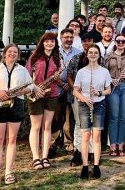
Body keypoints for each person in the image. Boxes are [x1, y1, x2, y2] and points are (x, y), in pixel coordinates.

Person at [0, 44, 34, 186]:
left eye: (15, 52)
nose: (12, 54)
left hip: (16, 104)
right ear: (5, 53)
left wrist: (20, 92)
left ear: (18, 55)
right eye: (10, 51)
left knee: (12, 140)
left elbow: (30, 86)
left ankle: (9, 172)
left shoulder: (22, 70)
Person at [73, 44, 112, 179]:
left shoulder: (104, 71)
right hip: (84, 105)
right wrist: (84, 99)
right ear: (87, 54)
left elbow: (109, 90)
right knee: (85, 136)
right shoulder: (81, 72)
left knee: (96, 137)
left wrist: (99, 92)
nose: (93, 55)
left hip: (99, 104)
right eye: (91, 52)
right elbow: (75, 91)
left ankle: (96, 166)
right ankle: (84, 166)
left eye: (96, 52)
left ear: (99, 55)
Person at [25, 32, 62, 170]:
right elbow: (27, 77)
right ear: (43, 42)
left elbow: (57, 78)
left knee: (47, 127)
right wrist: (34, 88)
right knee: (36, 127)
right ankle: (36, 157)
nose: (50, 43)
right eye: (47, 41)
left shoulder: (57, 58)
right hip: (36, 94)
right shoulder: (34, 57)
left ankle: (45, 156)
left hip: (51, 94)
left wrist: (57, 76)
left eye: (52, 41)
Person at [104, 34, 125, 156]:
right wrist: (110, 79)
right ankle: (112, 146)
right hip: (113, 87)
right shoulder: (109, 56)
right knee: (114, 117)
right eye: (118, 41)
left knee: (124, 118)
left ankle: (121, 145)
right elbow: (103, 72)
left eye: (122, 41)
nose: (120, 43)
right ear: (115, 42)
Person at [49, 28, 81, 156]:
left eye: (70, 37)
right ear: (61, 38)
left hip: (71, 89)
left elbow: (79, 72)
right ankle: (51, 145)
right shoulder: (54, 52)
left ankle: (69, 145)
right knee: (56, 118)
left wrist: (70, 84)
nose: (68, 39)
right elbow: (51, 72)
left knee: (69, 119)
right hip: (57, 88)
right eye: (66, 37)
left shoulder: (79, 53)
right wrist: (62, 83)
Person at [67, 34, 95, 166]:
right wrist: (76, 90)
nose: (87, 43)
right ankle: (78, 150)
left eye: (89, 40)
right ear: (82, 43)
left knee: (92, 123)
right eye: (85, 41)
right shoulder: (76, 58)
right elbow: (69, 76)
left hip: (94, 96)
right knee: (79, 124)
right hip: (78, 96)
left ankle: (91, 151)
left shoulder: (98, 58)